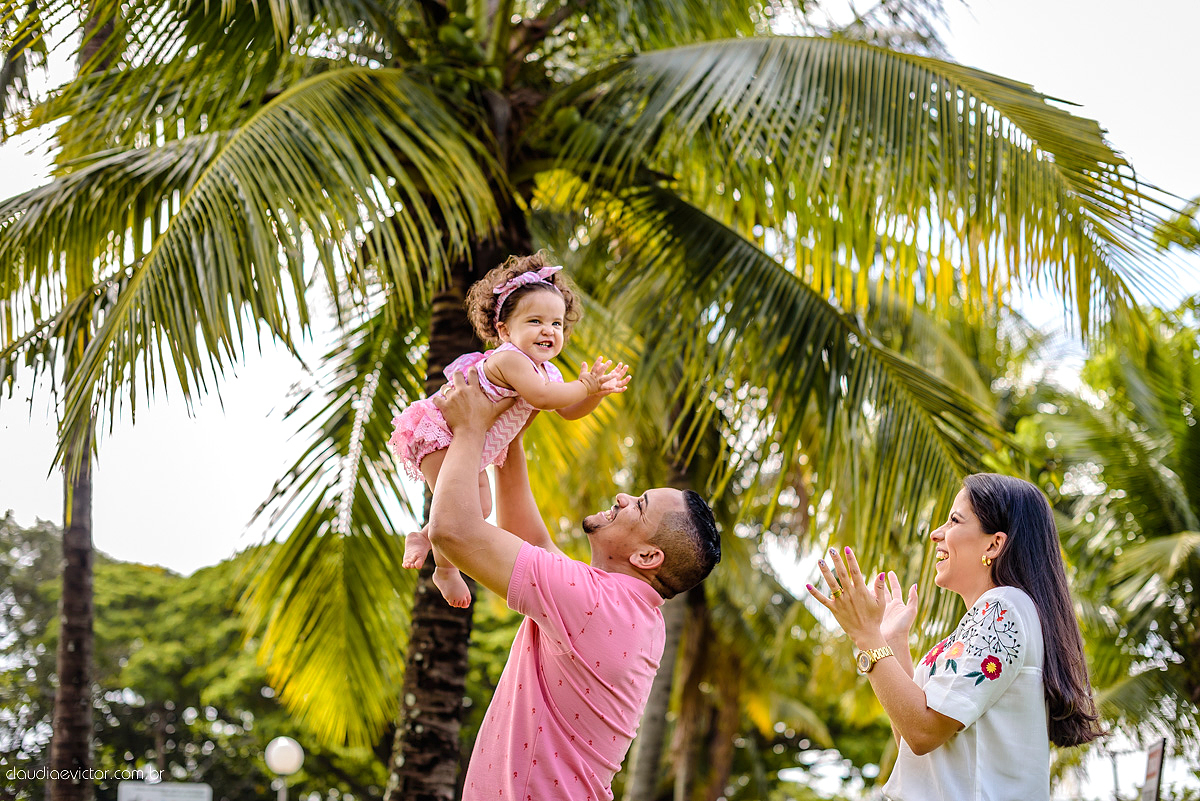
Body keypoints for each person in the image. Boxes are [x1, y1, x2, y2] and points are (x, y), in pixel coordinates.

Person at [427, 366, 721, 801]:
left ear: (646, 557)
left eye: (638, 505)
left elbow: (452, 530)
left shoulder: (596, 605)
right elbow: (533, 541)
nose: (623, 497)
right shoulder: (625, 611)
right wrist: (513, 435)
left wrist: (471, 428)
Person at [808, 473, 1103, 800]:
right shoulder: (989, 619)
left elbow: (923, 732)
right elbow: (912, 736)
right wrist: (891, 642)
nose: (936, 534)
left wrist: (867, 637)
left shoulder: (1001, 610)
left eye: (953, 520)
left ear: (994, 544)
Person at [389, 252, 629, 607]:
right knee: (456, 510)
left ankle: (424, 538)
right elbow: (545, 399)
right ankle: (445, 570)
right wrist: (587, 385)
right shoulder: (510, 359)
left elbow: (567, 410)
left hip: (471, 442)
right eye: (535, 321)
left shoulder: (547, 372)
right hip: (441, 431)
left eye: (557, 324)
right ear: (504, 330)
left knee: (479, 507)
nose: (548, 330)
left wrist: (595, 394)